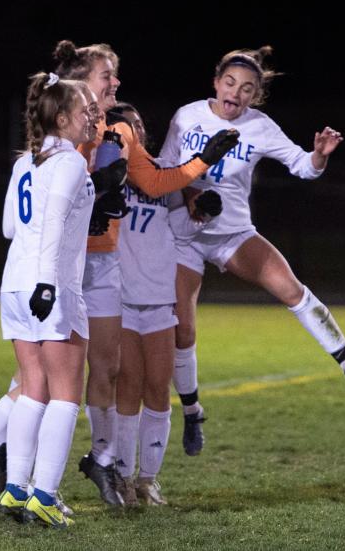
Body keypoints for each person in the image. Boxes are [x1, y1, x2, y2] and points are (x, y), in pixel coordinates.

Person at [160, 45, 345, 457]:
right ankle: (192, 411)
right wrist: (190, 197)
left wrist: (318, 156)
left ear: (254, 96)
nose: (236, 93)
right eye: (230, 83)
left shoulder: (259, 126)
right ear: (215, 82)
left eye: (246, 89)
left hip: (232, 234)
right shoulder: (187, 116)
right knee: (183, 330)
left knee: (291, 288)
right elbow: (166, 171)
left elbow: (302, 166)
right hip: (183, 236)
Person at [52, 40, 239, 504]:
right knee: (87, 381)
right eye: (107, 77)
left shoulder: (143, 163)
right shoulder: (85, 148)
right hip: (90, 280)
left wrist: (202, 191)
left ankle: (130, 472)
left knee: (135, 381)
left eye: (134, 126)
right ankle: (31, 463)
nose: (127, 129)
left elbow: (175, 192)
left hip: (137, 291)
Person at [0, 72, 97, 528]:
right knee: (67, 394)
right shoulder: (70, 161)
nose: (92, 117)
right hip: (47, 284)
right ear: (62, 117)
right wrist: (50, 283)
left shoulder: (24, 163)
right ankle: (46, 496)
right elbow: (52, 220)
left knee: (33, 387)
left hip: (14, 283)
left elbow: (10, 229)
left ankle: (16, 489)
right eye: (85, 110)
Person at [110, 103, 200, 506]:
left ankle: (147, 479)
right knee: (128, 385)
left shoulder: (164, 173)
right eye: (128, 126)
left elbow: (180, 227)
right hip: (122, 296)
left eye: (141, 123)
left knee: (158, 387)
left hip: (161, 296)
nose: (138, 130)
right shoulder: (110, 171)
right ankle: (124, 479)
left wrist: (203, 216)